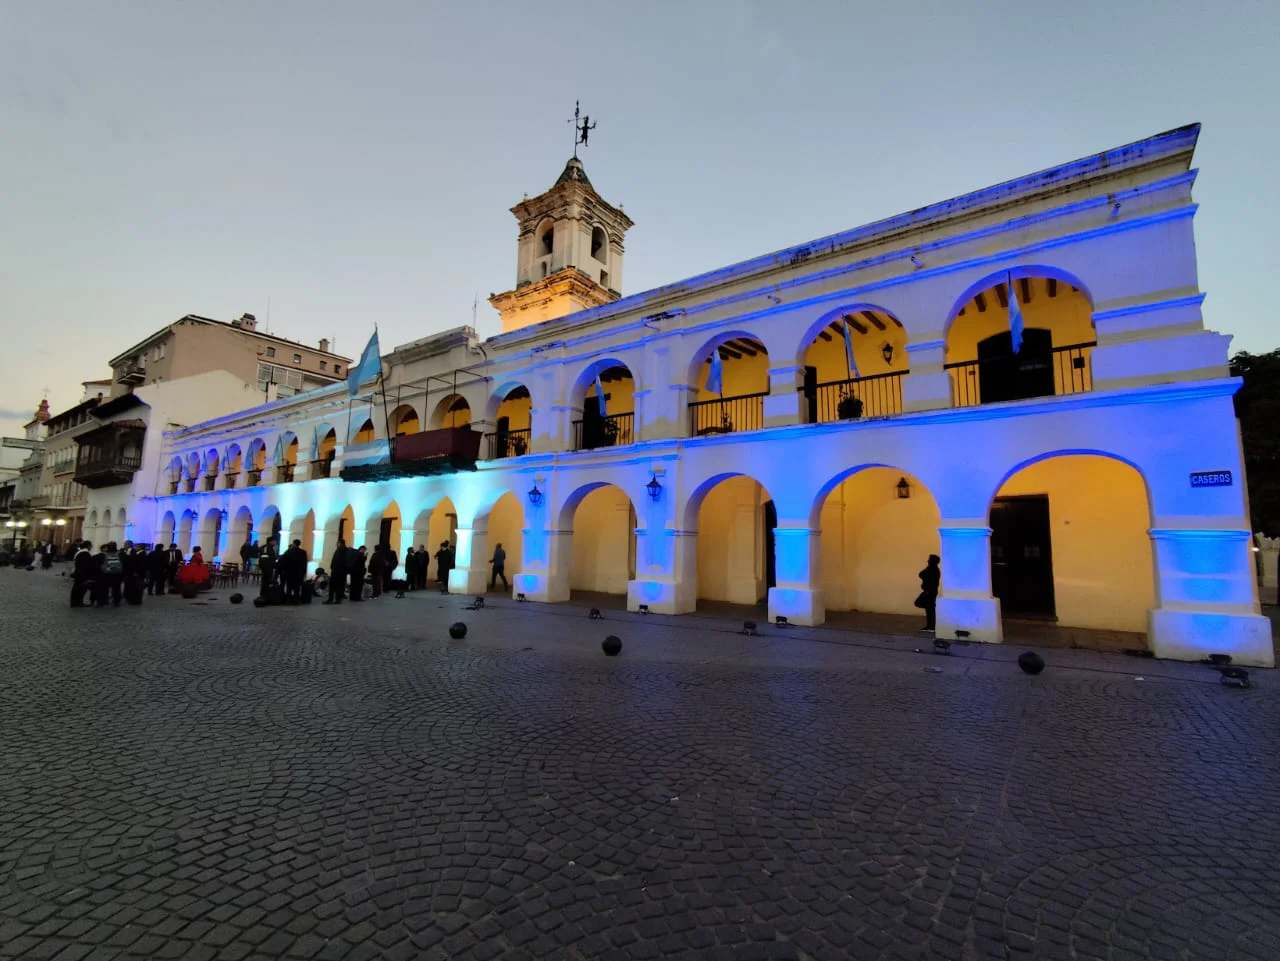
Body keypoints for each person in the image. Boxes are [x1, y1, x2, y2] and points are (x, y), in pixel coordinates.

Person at [916, 553, 941, 633]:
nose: (928, 561)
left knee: (923, 605)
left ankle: (931, 626)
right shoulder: (931, 568)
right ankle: (930, 626)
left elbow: (922, 574)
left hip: (929, 592)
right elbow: (921, 574)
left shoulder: (932, 569)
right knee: (929, 608)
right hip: (929, 592)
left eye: (929, 560)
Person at [98, 541, 125, 607]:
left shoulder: (103, 554)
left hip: (106, 574)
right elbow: (125, 563)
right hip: (117, 575)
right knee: (116, 588)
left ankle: (103, 601)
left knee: (104, 588)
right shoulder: (121, 554)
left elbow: (99, 564)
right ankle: (116, 601)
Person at [280, 539, 308, 603]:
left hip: (289, 572)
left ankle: (288, 600)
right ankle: (296, 600)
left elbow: (284, 562)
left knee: (289, 586)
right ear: (299, 544)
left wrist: (283, 570)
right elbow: (304, 563)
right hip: (298, 573)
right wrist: (304, 572)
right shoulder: (303, 552)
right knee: (297, 587)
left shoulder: (288, 551)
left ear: (293, 544)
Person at [70, 540, 97, 607]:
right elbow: (86, 565)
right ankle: (78, 602)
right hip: (82, 574)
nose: (91, 547)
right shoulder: (85, 554)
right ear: (88, 546)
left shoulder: (80, 552)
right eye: (91, 546)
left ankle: (75, 602)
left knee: (76, 588)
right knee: (81, 589)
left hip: (78, 573)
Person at [325, 539, 348, 604]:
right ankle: (338, 599)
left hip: (337, 571)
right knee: (340, 586)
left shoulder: (340, 550)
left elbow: (337, 561)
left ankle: (331, 599)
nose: (336, 544)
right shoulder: (344, 550)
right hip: (341, 571)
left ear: (340, 543)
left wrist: (333, 568)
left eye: (337, 543)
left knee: (334, 586)